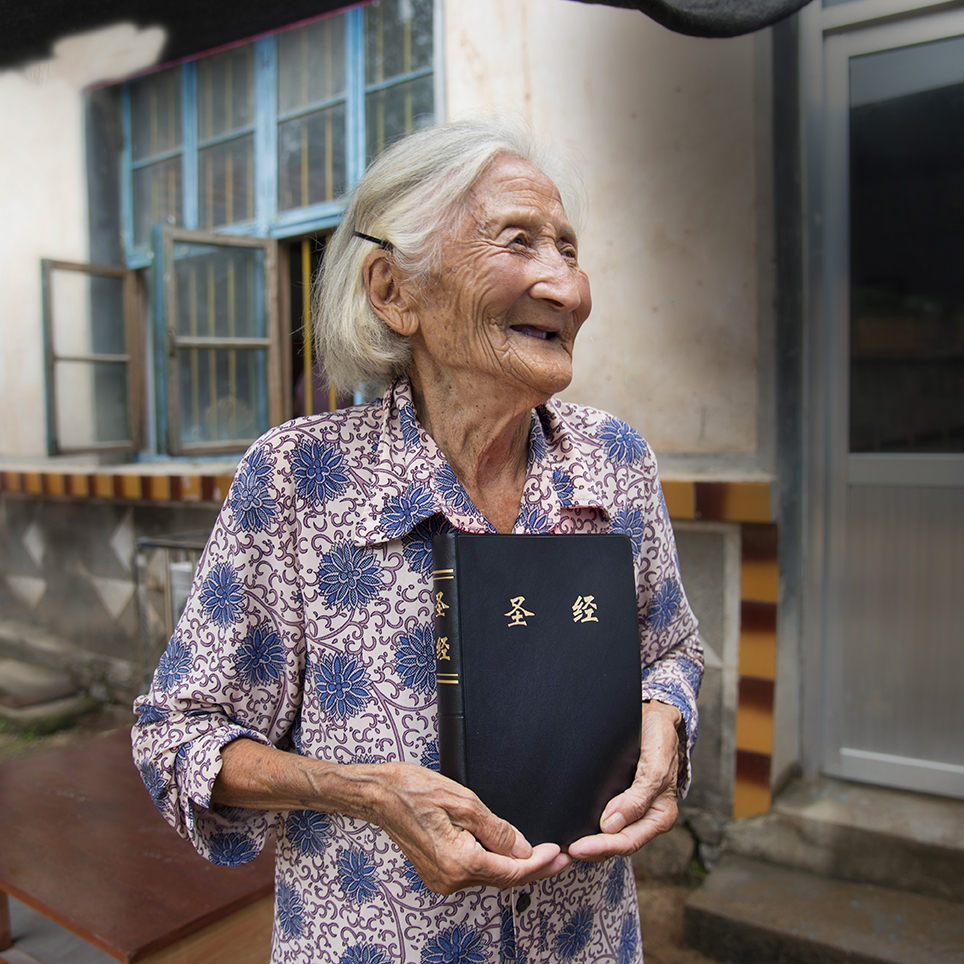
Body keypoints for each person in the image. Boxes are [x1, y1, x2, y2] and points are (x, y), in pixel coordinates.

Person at [132, 118, 703, 964]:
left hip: (583, 939)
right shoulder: (300, 481)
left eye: (570, 250)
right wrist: (363, 791)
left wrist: (665, 726)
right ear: (396, 291)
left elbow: (674, 650)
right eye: (519, 242)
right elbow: (177, 734)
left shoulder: (614, 461)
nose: (567, 287)